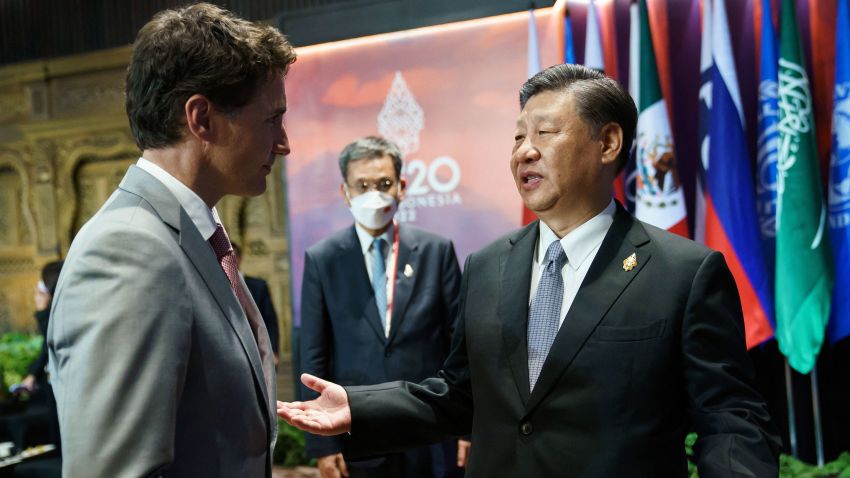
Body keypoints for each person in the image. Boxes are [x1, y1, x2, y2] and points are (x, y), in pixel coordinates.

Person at [278, 64, 782, 477]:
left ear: (607, 143)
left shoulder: (684, 273)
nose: (524, 150)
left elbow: (730, 419)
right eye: (518, 136)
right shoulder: (487, 266)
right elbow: (461, 394)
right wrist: (361, 407)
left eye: (545, 132)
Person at [46, 4, 295, 476]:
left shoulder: (187, 236)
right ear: (201, 119)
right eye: (270, 119)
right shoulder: (130, 249)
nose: (283, 142)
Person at [300, 136, 468, 478]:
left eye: (383, 184)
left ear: (402, 187)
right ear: (345, 192)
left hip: (432, 431)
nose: (373, 194)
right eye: (361, 185)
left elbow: (460, 346)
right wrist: (323, 444)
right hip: (358, 431)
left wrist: (468, 426)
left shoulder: (437, 252)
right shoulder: (323, 259)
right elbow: (314, 354)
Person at [233, 241, 281, 365]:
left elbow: (270, 320)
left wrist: (274, 351)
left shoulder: (258, 286)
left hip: (258, 351)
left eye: (233, 256)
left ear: (240, 258)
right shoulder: (218, 288)